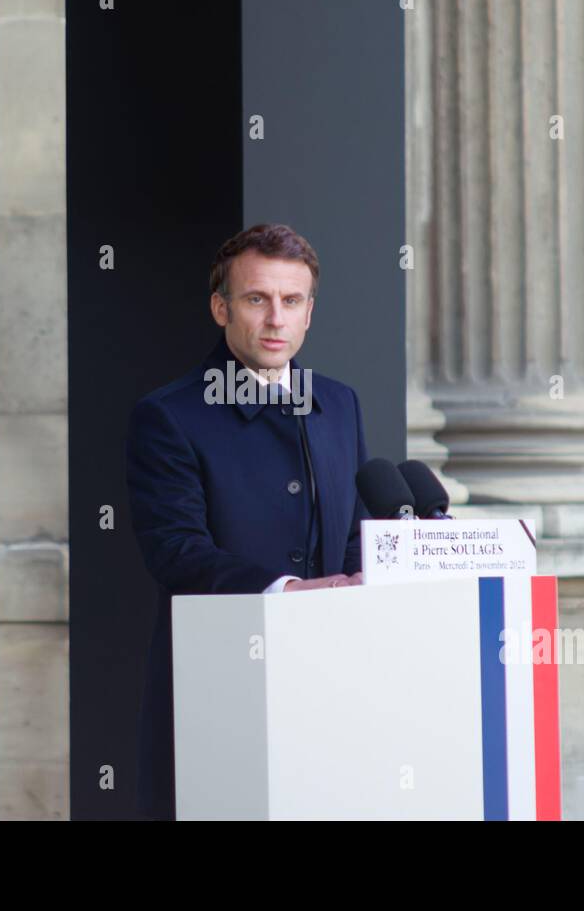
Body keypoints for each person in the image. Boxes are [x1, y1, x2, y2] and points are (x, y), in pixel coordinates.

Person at [125, 223, 370, 820]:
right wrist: (287, 591)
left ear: (309, 312)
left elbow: (360, 532)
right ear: (220, 308)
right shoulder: (168, 415)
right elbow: (175, 551)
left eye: (291, 301)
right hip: (222, 686)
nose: (275, 319)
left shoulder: (339, 403)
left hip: (334, 685)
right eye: (256, 299)